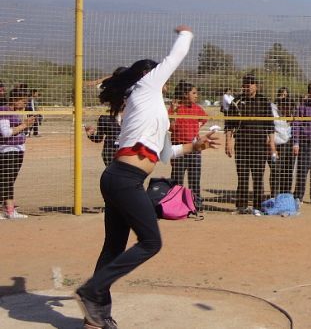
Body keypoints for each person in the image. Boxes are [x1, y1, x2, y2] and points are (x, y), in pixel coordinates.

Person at [75, 26, 220, 328]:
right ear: (147, 76)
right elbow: (175, 57)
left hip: (120, 178)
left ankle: (95, 317)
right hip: (124, 179)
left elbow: (163, 153)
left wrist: (196, 145)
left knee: (113, 248)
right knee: (151, 242)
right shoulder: (145, 89)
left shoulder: (149, 106)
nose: (165, 85)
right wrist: (187, 34)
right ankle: (91, 290)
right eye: (160, 78)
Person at [225, 74, 276, 212]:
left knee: (258, 177)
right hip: (242, 144)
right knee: (242, 176)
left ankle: (258, 206)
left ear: (256, 86)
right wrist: (228, 142)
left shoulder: (264, 101)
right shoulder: (236, 101)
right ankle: (241, 206)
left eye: (250, 85)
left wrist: (272, 145)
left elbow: (270, 125)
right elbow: (229, 124)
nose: (247, 88)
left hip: (259, 145)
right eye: (245, 85)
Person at [169, 80, 208, 206]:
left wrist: (197, 126)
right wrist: (174, 112)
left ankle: (196, 204)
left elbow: (204, 118)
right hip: (179, 147)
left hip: (194, 148)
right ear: (185, 94)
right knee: (177, 178)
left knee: (195, 179)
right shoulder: (175, 108)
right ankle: (175, 204)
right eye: (194, 93)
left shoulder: (197, 108)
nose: (196, 95)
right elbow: (171, 127)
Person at [0, 87, 36, 219]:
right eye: (23, 101)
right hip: (7, 150)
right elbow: (6, 132)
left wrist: (26, 126)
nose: (25, 104)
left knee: (9, 181)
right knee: (6, 180)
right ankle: (9, 211)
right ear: (15, 100)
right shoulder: (4, 110)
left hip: (18, 150)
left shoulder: (15, 112)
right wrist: (24, 125)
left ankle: (8, 209)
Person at [270, 87, 294, 195]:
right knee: (276, 169)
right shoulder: (271, 109)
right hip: (275, 143)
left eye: (285, 95)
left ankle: (286, 195)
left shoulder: (290, 108)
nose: (283, 97)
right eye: (281, 95)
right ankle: (275, 194)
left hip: (288, 143)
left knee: (287, 170)